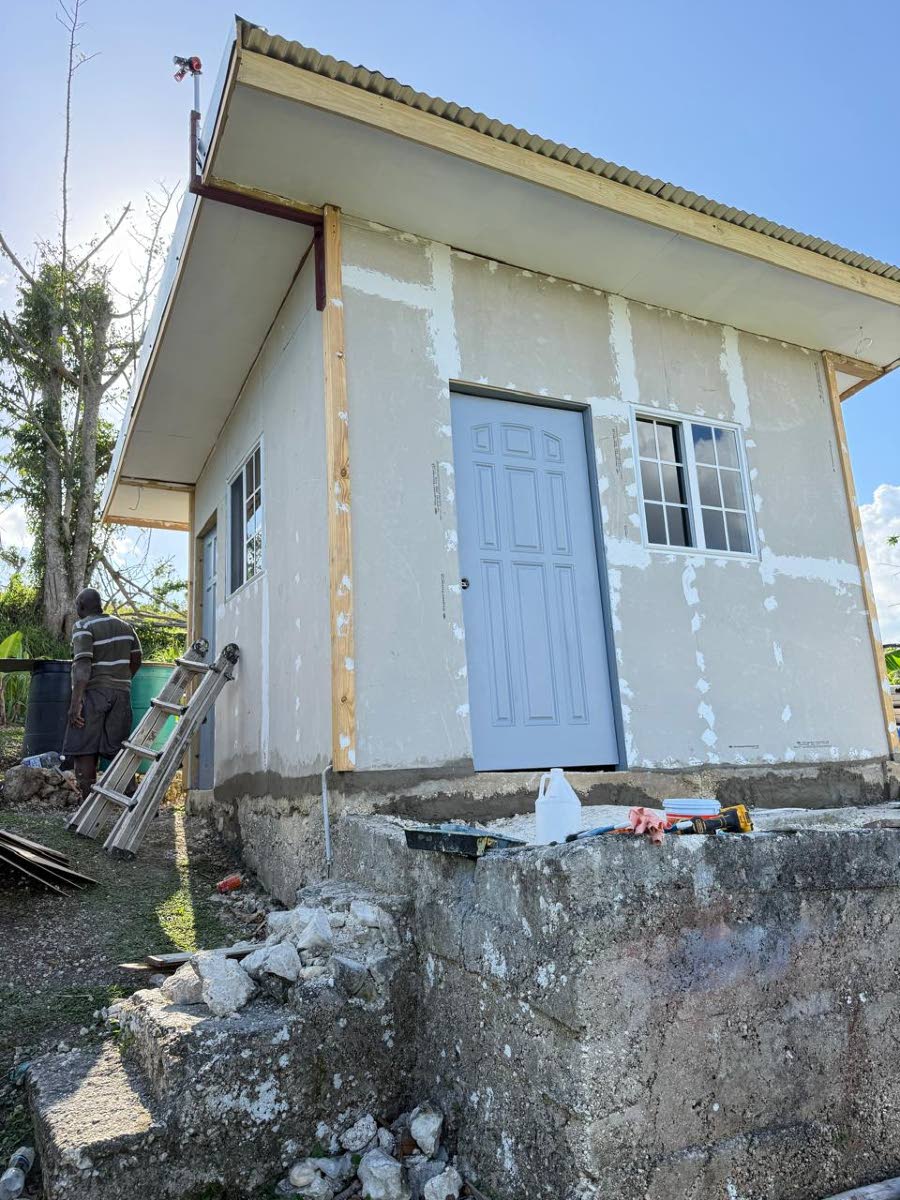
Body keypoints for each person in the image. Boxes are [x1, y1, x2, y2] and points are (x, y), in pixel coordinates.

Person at [63, 589, 143, 799]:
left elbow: (82, 667)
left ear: (80, 606)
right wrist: (121, 681)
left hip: (93, 693)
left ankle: (87, 803)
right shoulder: (126, 626)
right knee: (119, 747)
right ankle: (131, 800)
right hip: (121, 694)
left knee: (84, 747)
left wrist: (75, 703)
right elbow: (137, 659)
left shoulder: (83, 626)